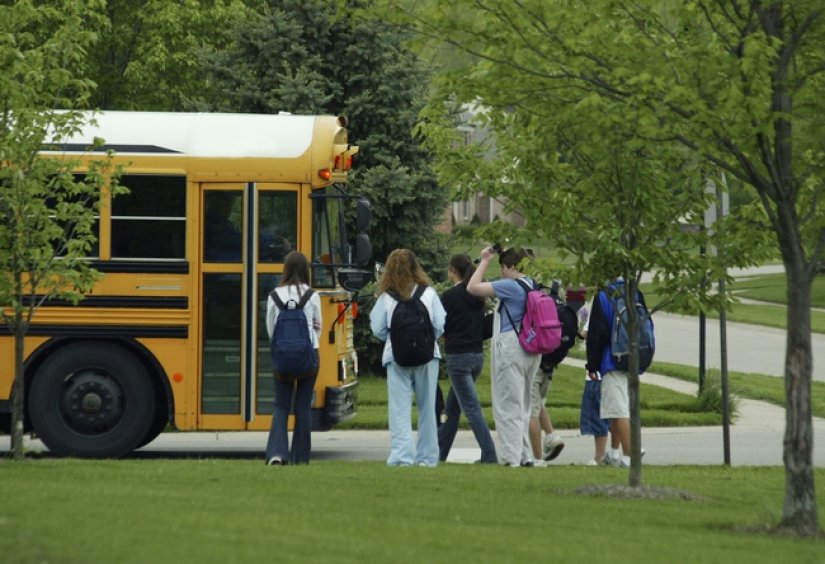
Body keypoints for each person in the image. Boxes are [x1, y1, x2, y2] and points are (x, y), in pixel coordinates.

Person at [370, 249, 446, 467]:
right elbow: (440, 325)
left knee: (399, 409)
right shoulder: (428, 293)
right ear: (416, 266)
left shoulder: (387, 297)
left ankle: (403, 457)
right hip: (427, 356)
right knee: (428, 409)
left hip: (396, 356)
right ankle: (427, 458)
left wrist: (394, 339)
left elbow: (377, 328)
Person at [467, 246, 540, 467]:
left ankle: (511, 458)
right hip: (531, 347)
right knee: (523, 405)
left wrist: (485, 260)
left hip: (511, 347)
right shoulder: (533, 284)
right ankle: (524, 454)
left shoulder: (511, 286)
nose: (501, 273)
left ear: (510, 266)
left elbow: (472, 287)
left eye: (503, 268)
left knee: (507, 405)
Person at [437, 254, 497, 464]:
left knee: (471, 408)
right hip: (476, 356)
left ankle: (489, 455)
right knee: (453, 409)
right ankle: (438, 454)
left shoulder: (449, 297)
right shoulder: (476, 295)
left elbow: (439, 325)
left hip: (458, 358)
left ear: (453, 269)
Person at [264, 251, 322, 466]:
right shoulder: (312, 295)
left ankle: (277, 454)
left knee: (281, 406)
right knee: (303, 406)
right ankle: (300, 457)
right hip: (309, 357)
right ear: (306, 270)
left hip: (282, 358)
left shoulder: (274, 295)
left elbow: (271, 329)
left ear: (285, 269)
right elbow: (318, 327)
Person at [585, 278, 648, 468]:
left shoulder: (603, 296)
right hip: (634, 357)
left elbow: (598, 334)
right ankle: (613, 454)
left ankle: (630, 457)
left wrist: (592, 365)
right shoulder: (633, 291)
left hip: (611, 359)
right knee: (621, 408)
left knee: (619, 410)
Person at [578, 297, 609, 465]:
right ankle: (621, 451)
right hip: (612, 367)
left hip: (597, 369)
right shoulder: (615, 300)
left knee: (598, 414)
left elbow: (585, 334)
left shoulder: (599, 304)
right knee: (614, 411)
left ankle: (600, 456)